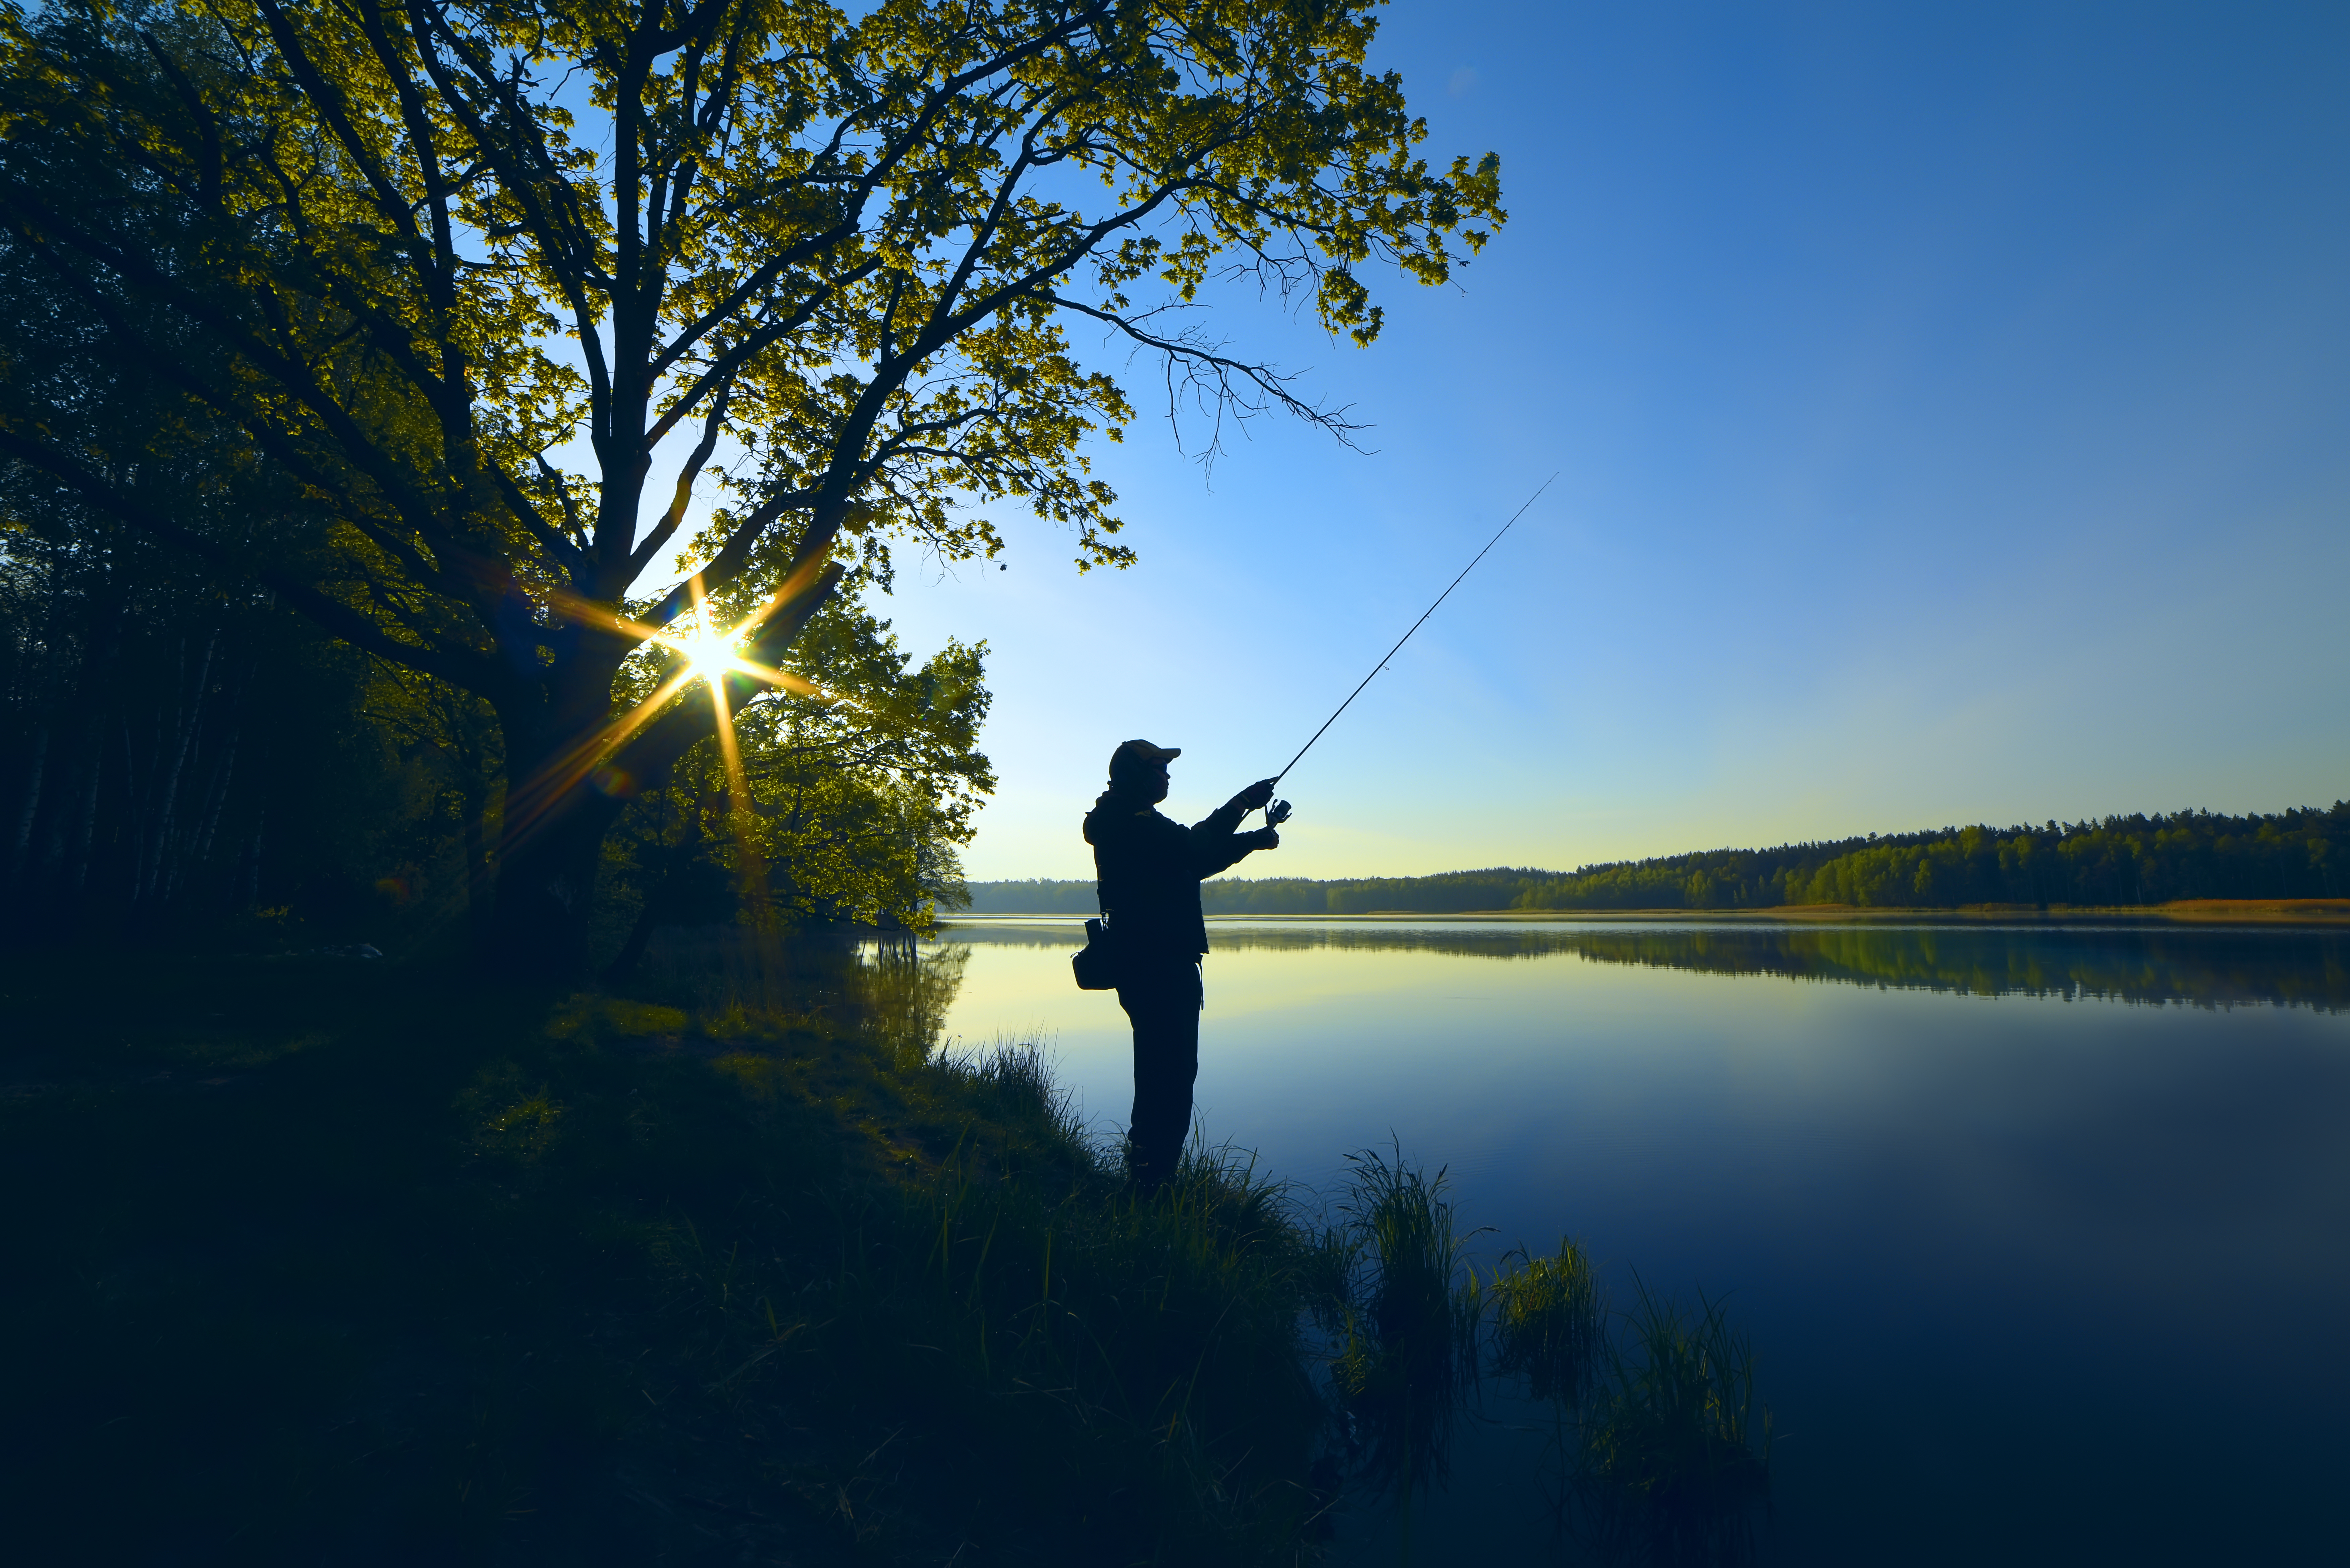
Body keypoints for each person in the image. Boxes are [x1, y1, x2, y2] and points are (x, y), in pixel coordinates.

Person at [1082, 739, 1280, 1191]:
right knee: (1167, 1080)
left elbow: (1194, 855)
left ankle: (1150, 1180)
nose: (1167, 776)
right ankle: (1151, 1188)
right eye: (1159, 767)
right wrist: (1244, 811)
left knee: (1162, 1075)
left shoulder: (1130, 819)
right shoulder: (1131, 821)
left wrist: (1250, 824)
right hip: (1158, 966)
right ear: (1135, 773)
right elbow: (1195, 850)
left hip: (1151, 963)